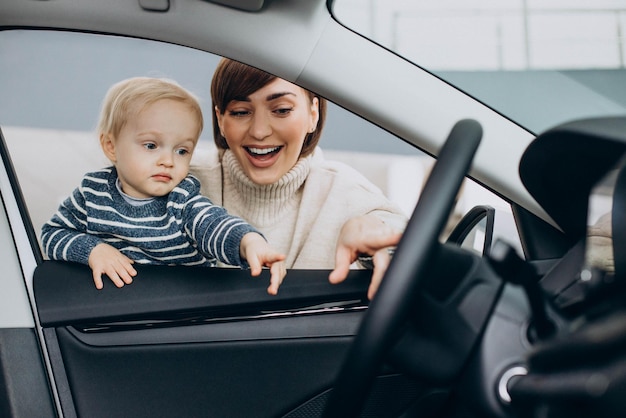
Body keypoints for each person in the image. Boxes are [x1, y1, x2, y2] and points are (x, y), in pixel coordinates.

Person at [41, 77, 286, 294]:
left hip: (175, 311)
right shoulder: (92, 193)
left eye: (182, 150)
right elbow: (52, 234)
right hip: (112, 314)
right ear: (111, 146)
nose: (168, 161)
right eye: (151, 146)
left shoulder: (182, 201)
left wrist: (249, 242)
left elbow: (215, 225)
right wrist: (93, 250)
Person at [190, 58, 407, 299]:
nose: (259, 131)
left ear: (313, 114)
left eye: (282, 110)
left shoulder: (348, 192)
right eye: (240, 112)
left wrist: (374, 231)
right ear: (220, 120)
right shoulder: (180, 182)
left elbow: (410, 243)